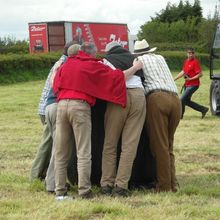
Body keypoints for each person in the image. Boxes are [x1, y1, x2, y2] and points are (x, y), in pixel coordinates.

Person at [53, 42, 143, 200]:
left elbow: (55, 85)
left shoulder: (65, 66)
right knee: (83, 152)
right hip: (79, 107)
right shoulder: (92, 65)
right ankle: (85, 191)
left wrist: (56, 70)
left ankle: (60, 191)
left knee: (61, 151)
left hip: (61, 106)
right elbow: (118, 77)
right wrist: (135, 68)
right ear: (91, 54)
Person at [134, 39, 181, 192]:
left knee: (159, 145)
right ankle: (172, 183)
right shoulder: (160, 58)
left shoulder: (138, 60)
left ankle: (164, 186)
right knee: (169, 144)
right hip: (175, 99)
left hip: (157, 98)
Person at [100, 42, 146, 197]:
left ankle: (106, 184)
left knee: (110, 144)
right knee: (130, 145)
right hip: (139, 96)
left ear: (108, 51)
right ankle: (121, 187)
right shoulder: (135, 58)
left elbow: (113, 80)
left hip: (119, 98)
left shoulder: (106, 60)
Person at [29, 41, 77, 182]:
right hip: (53, 107)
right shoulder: (65, 64)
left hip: (45, 108)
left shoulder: (59, 63)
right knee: (54, 145)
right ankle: (40, 177)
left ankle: (39, 175)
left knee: (49, 144)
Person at [44, 44, 81, 192]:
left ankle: (53, 181)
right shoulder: (70, 65)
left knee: (58, 148)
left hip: (50, 106)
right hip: (57, 106)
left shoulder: (60, 64)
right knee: (60, 149)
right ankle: (52, 184)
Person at [174, 48, 209, 119]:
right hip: (187, 85)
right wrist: (174, 79)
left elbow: (200, 74)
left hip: (193, 85)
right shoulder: (186, 61)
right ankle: (203, 109)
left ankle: (180, 116)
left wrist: (191, 79)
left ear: (194, 54)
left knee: (181, 99)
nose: (191, 55)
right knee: (186, 101)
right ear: (187, 54)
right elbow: (183, 72)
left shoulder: (195, 62)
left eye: (192, 53)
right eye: (189, 53)